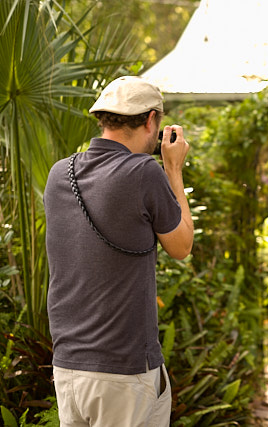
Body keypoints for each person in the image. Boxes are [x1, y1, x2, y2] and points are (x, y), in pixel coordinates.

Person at [44, 76, 194, 427]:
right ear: (150, 121)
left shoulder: (58, 174)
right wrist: (173, 169)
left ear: (103, 119)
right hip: (124, 371)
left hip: (67, 366)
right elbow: (182, 246)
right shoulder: (144, 172)